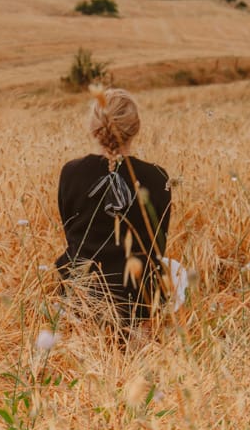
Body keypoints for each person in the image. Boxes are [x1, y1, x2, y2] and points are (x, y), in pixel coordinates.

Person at [56, 86, 172, 326]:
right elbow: (158, 244)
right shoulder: (158, 177)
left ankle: (80, 330)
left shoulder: (71, 173)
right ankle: (144, 339)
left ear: (93, 127)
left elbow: (71, 235)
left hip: (80, 292)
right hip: (139, 297)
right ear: (135, 127)